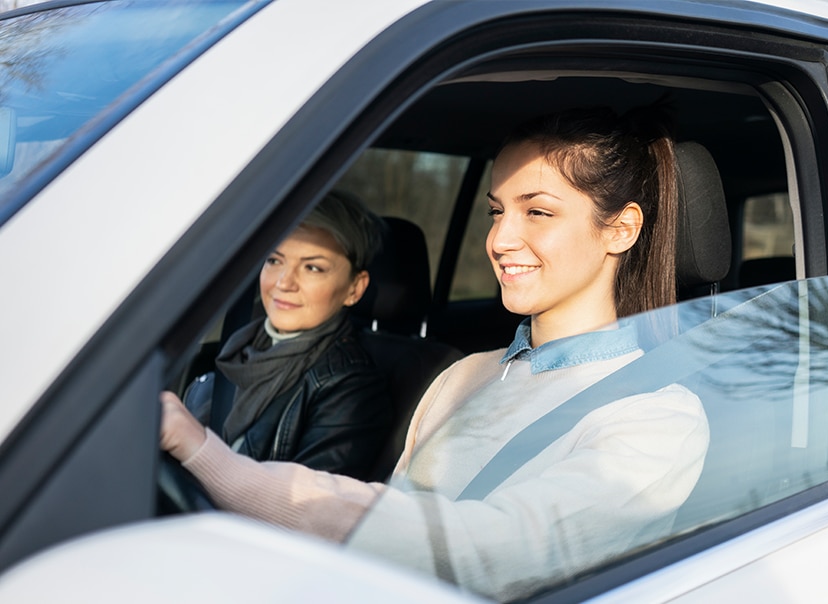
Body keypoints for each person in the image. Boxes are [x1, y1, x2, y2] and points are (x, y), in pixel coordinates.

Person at [160, 107, 709, 601]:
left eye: (537, 212)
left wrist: (210, 458)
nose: (499, 240)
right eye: (497, 212)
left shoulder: (659, 418)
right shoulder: (463, 375)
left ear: (621, 228)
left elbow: (487, 552)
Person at [179, 190, 392, 479]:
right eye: (274, 260)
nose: (284, 282)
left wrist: (194, 447)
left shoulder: (351, 389)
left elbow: (301, 509)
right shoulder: (236, 351)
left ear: (355, 289)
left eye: (313, 267)